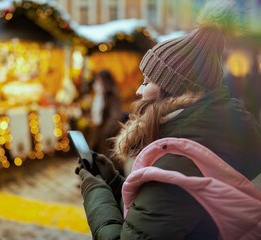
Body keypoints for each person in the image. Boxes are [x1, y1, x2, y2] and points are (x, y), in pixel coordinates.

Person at [75, 2, 261, 239]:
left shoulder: (177, 167)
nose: (138, 92)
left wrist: (94, 192)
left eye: (147, 81)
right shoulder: (200, 145)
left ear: (173, 89)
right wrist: (112, 181)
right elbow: (150, 216)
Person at [88, 70, 124, 159]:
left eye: (99, 79)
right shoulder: (100, 93)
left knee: (103, 158)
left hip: (106, 131)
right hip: (99, 129)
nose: (97, 82)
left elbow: (116, 114)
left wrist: (106, 130)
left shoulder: (110, 93)